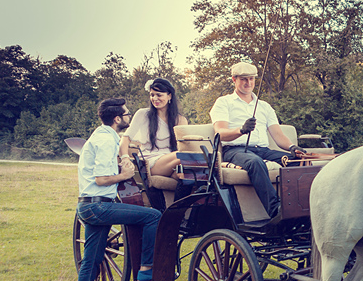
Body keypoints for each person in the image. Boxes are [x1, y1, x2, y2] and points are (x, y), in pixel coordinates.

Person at [75, 98, 162, 281]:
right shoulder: (105, 141)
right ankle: (146, 269)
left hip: (89, 206)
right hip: (98, 207)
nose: (129, 117)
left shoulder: (102, 136)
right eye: (126, 114)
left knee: (91, 261)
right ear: (117, 119)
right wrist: (124, 174)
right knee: (153, 216)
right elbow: (102, 179)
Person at [209, 61, 304, 220]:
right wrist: (241, 130)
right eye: (243, 79)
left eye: (251, 79)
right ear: (234, 79)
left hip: (262, 149)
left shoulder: (264, 106)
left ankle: (298, 207)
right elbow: (220, 133)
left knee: (296, 161)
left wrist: (292, 146)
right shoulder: (224, 102)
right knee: (255, 162)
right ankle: (276, 210)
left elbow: (278, 135)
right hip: (236, 150)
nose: (248, 83)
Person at [119, 77, 188, 177]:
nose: (155, 98)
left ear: (169, 96)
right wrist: (125, 158)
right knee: (183, 155)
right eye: (152, 95)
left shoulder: (180, 120)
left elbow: (183, 146)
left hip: (171, 161)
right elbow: (125, 139)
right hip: (149, 161)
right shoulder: (142, 114)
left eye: (159, 95)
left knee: (183, 172)